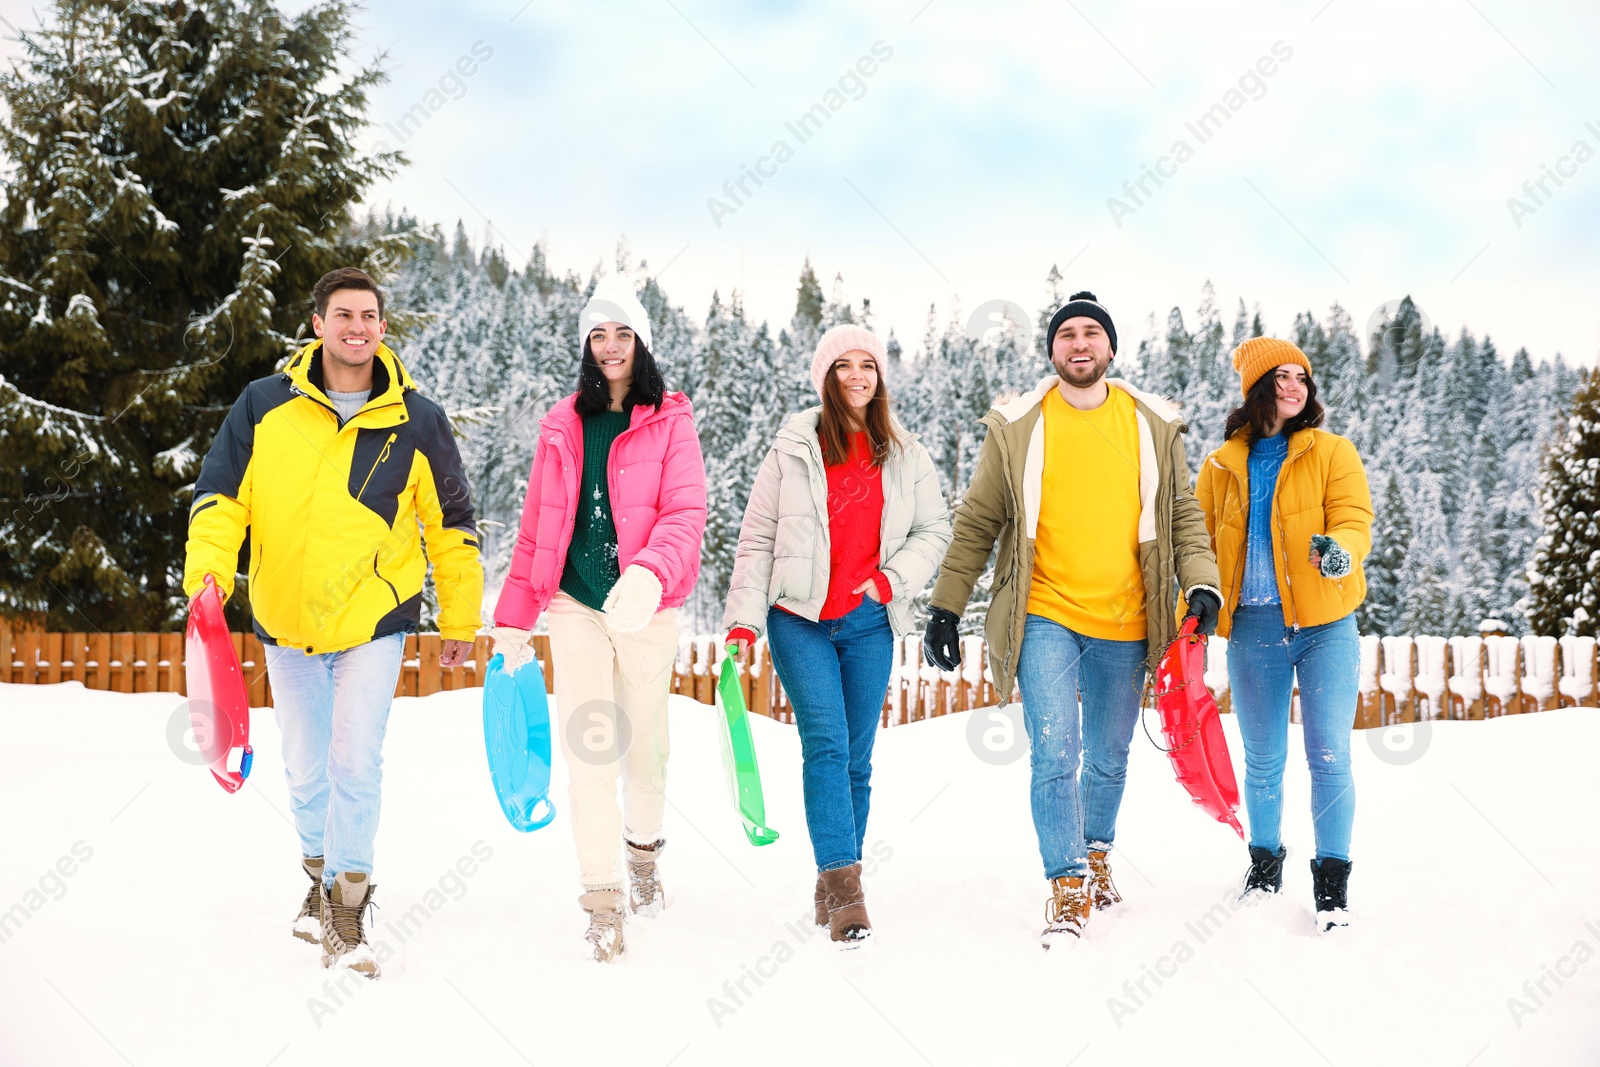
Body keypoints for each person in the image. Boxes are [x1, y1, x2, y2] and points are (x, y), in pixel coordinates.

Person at [184, 267, 484, 979]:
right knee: (304, 762)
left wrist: (462, 619)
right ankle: (316, 878)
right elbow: (221, 497)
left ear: (383, 328)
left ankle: (349, 900)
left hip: (374, 620)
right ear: (316, 323)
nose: (357, 326)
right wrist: (209, 580)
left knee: (356, 758)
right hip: (284, 618)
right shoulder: (263, 405)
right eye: (343, 313)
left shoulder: (417, 419)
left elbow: (453, 527)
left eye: (370, 315)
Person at [923, 291, 1222, 947]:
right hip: (1045, 611)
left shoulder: (1150, 424)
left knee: (1109, 757)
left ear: (1110, 348)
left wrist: (1202, 584)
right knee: (1055, 748)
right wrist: (947, 603)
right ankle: (1066, 884)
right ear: (1052, 349)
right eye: (1067, 335)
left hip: (1127, 616)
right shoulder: (1020, 425)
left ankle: (1095, 852)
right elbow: (979, 521)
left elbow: (1185, 517)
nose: (1079, 343)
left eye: (1092, 333)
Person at [491, 278, 707, 963]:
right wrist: (513, 619)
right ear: (586, 345)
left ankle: (642, 853)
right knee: (590, 750)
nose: (610, 346)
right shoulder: (562, 423)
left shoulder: (670, 419)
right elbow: (537, 529)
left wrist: (649, 574)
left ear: (640, 341)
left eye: (622, 333)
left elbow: (686, 514)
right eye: (597, 334)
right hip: (576, 604)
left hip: (645, 606)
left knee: (645, 753)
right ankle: (602, 898)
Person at [722, 325, 951, 949]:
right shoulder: (791, 450)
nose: (856, 376)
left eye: (867, 366)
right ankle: (849, 892)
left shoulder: (906, 453)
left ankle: (831, 874)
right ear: (825, 377)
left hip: (869, 622)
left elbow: (935, 530)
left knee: (856, 756)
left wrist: (890, 580)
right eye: (843, 366)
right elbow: (757, 540)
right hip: (798, 618)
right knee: (824, 743)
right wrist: (743, 617)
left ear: (880, 377)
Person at [1195, 336, 1373, 932]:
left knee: (1329, 755)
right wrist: (1191, 608)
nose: (1296, 386)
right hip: (1253, 625)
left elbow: (1354, 520)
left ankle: (1332, 889)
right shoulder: (1222, 465)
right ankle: (1264, 870)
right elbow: (1197, 550)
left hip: (1325, 625)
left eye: (1303, 377)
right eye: (1282, 376)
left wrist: (1341, 553)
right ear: (1256, 388)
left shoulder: (1332, 451)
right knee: (1265, 758)